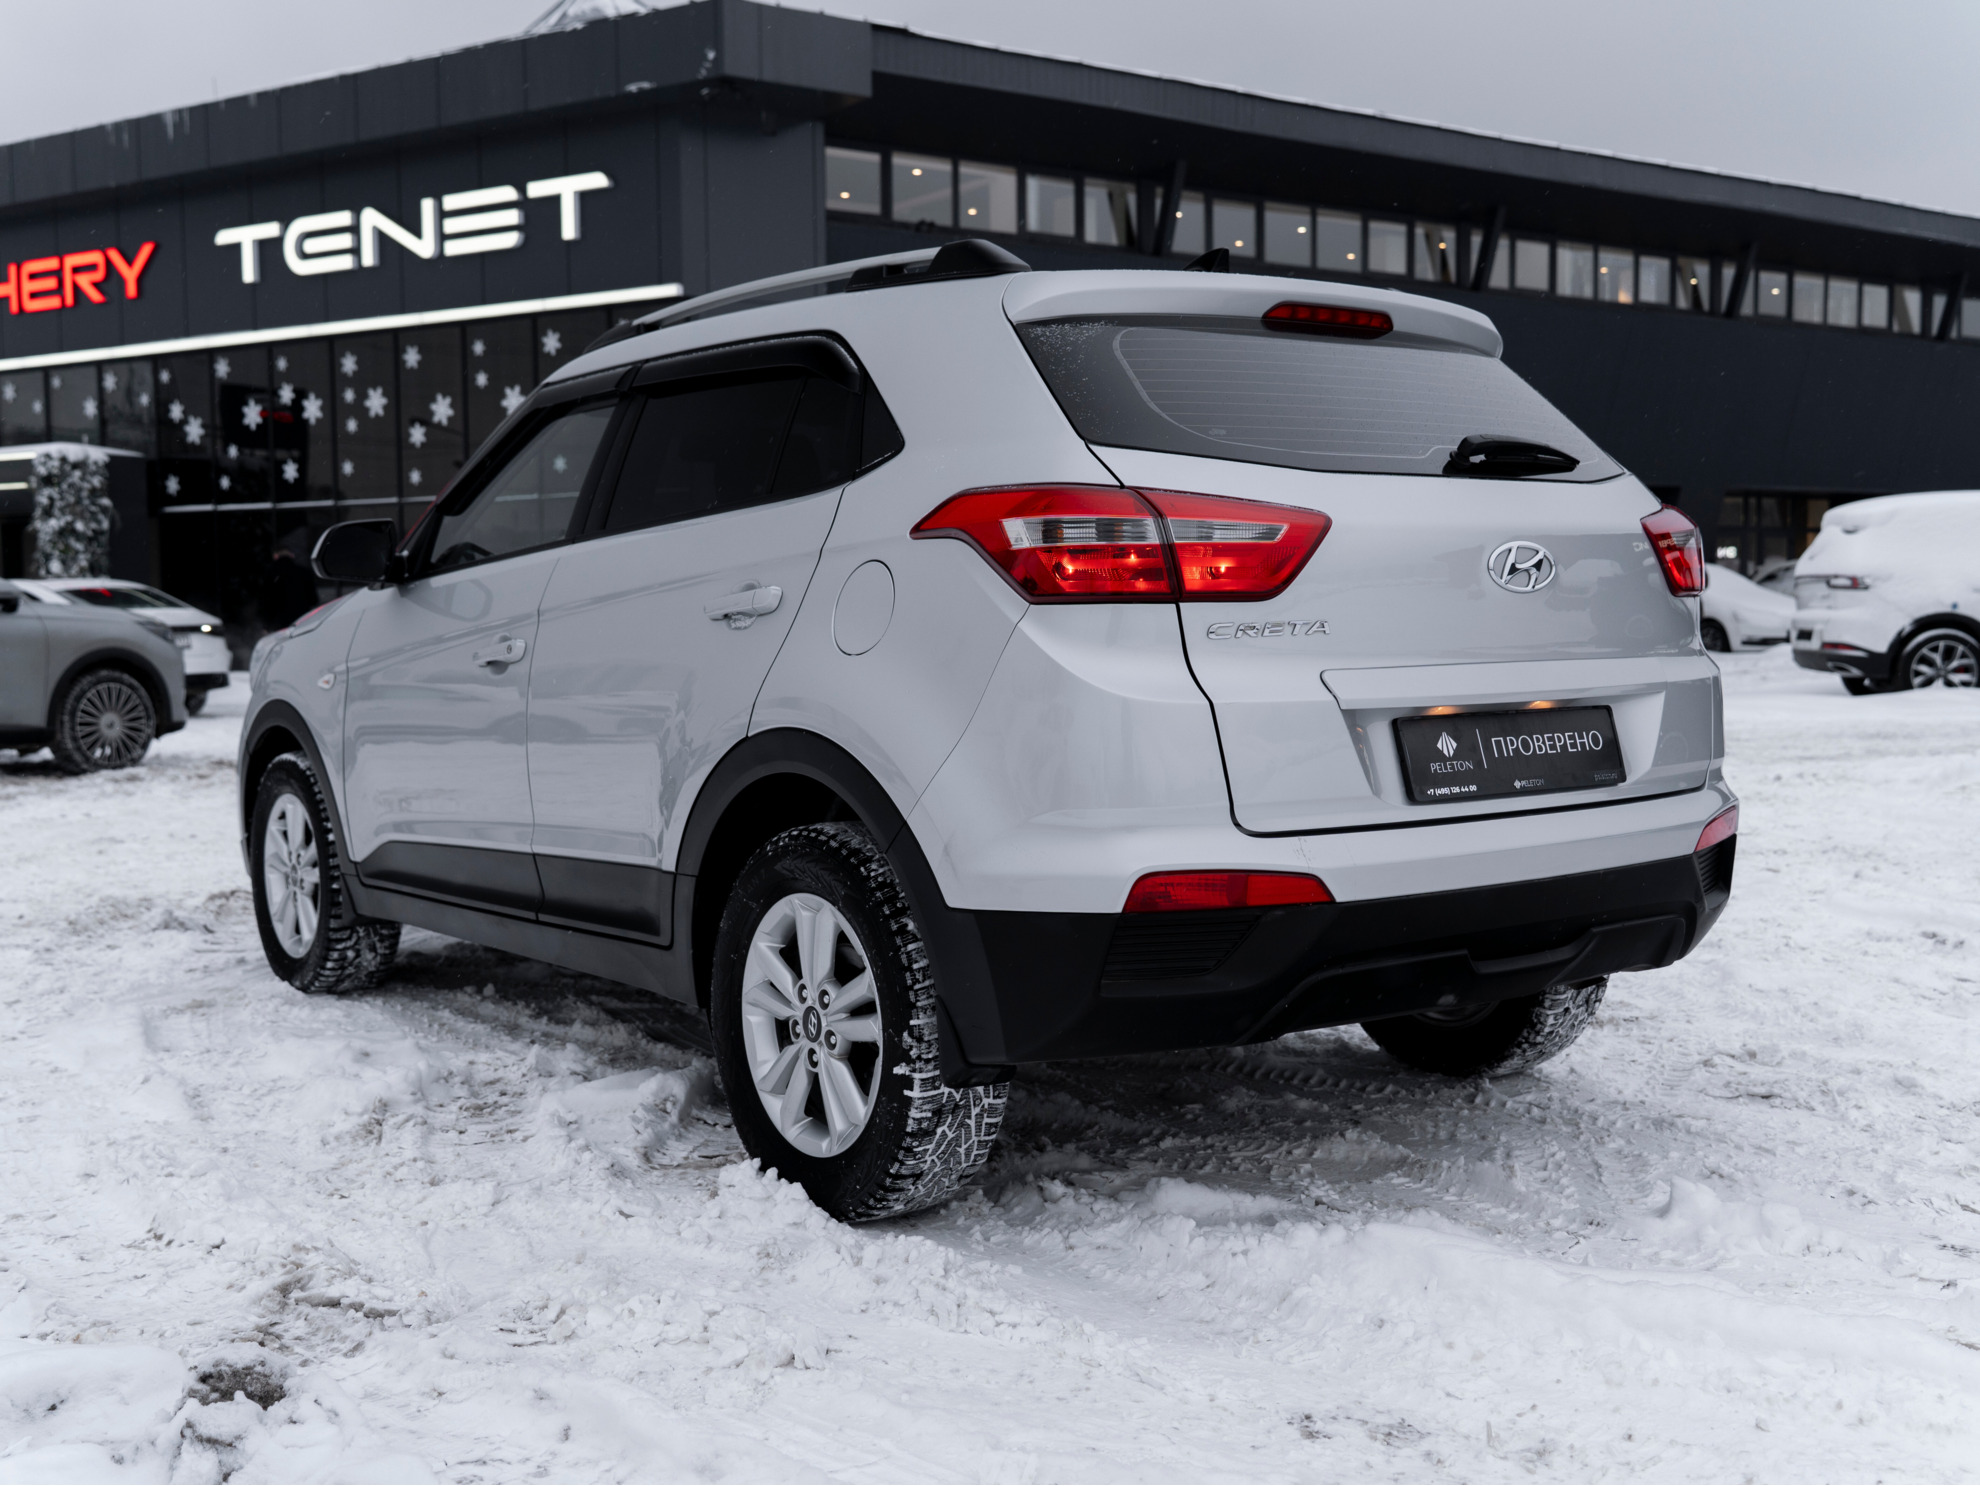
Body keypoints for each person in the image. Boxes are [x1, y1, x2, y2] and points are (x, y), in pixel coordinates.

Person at [260, 544, 322, 632]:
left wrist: (266, 625)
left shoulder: (270, 575)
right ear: (291, 555)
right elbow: (313, 600)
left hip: (280, 624)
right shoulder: (303, 572)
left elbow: (265, 602)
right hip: (302, 620)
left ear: (275, 556)